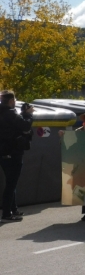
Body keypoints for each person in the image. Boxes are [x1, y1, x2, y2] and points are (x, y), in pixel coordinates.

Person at [0, 91, 33, 222]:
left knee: (10, 181)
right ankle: (7, 214)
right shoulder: (11, 113)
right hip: (13, 152)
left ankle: (14, 209)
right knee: (11, 183)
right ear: (11, 101)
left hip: (2, 152)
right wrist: (29, 114)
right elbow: (25, 125)